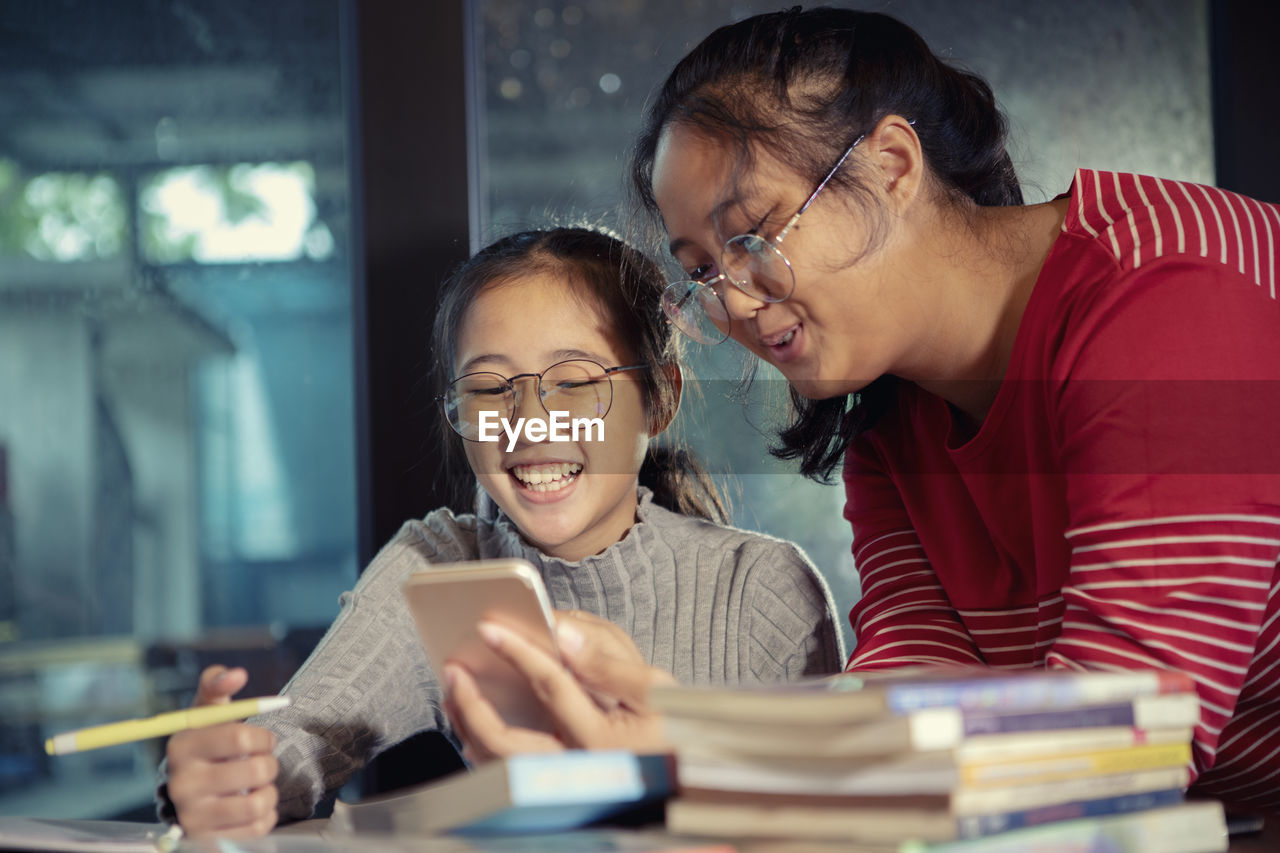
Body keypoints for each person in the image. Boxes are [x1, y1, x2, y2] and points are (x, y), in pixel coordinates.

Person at [446, 7, 1280, 816]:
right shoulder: (895, 421)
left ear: (890, 163)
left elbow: (1128, 729)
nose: (731, 300)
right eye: (701, 269)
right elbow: (906, 687)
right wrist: (675, 749)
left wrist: (709, 747)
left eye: (750, 235)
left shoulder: (1169, 295)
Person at [157, 226, 845, 838]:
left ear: (660, 397)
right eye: (489, 389)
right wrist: (229, 779)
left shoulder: (761, 589)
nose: (529, 421)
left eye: (575, 381)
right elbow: (299, 737)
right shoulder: (438, 563)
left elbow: (835, 821)